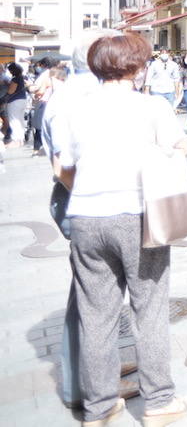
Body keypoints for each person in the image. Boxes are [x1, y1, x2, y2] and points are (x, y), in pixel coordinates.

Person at [59, 33, 187, 427]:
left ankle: (99, 409)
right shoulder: (152, 106)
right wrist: (181, 147)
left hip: (85, 217)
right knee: (148, 309)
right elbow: (177, 148)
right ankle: (159, 401)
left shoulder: (77, 109)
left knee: (95, 315)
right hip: (137, 215)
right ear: (137, 66)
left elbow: (64, 167)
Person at [42, 30, 141, 410]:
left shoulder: (67, 93)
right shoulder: (88, 97)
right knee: (94, 302)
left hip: (80, 203)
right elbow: (64, 165)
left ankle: (98, 374)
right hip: (96, 205)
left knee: (91, 296)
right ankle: (86, 387)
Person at [5, 62, 29, 145]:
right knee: (20, 120)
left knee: (14, 120)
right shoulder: (21, 77)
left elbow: (11, 91)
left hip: (14, 102)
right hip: (23, 100)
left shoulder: (15, 79)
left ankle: (16, 140)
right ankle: (21, 140)